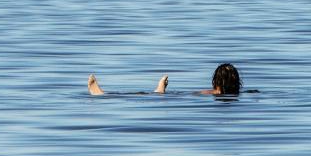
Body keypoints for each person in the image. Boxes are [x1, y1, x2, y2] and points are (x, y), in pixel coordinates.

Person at [86, 63, 243, 96]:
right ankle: (159, 92)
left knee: (145, 96)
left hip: (183, 96)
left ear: (215, 80)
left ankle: (102, 94)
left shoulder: (208, 93)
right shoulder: (239, 94)